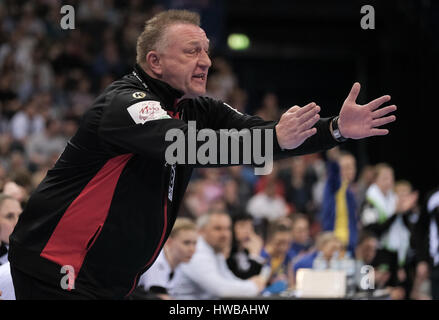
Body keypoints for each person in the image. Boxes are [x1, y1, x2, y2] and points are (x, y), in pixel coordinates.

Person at [8, 9, 397, 299]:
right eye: (192, 51)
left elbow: (264, 136)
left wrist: (335, 130)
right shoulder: (123, 104)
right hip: (55, 268)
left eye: (207, 51)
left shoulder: (197, 106)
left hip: (109, 281)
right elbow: (187, 144)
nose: (207, 61)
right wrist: (273, 139)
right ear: (155, 62)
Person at [171, 211, 266, 299]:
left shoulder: (215, 251)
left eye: (227, 229)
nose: (224, 234)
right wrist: (254, 286)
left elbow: (229, 279)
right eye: (218, 228)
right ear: (201, 231)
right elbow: (221, 290)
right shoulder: (196, 252)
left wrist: (251, 283)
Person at [133, 218, 198, 300]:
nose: (192, 249)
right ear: (169, 242)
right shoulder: (156, 262)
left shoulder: (179, 265)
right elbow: (159, 296)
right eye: (186, 243)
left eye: (195, 243)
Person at [320, 147, 358, 255]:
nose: (351, 170)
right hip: (334, 244)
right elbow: (333, 173)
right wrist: (333, 159)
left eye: (353, 166)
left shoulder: (350, 191)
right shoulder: (334, 186)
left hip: (349, 245)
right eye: (346, 167)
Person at [226, 212, 264, 280]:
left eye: (250, 227)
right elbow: (244, 280)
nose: (247, 231)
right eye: (242, 226)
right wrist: (254, 254)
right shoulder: (227, 254)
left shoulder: (246, 251)